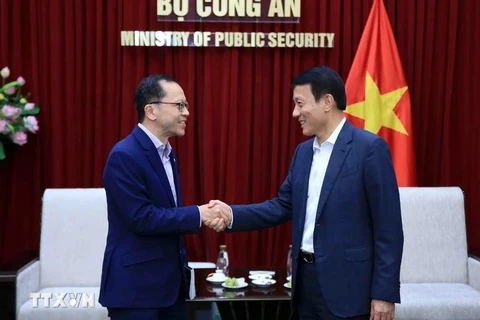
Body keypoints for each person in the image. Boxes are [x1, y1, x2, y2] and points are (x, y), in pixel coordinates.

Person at [208, 66, 404, 320]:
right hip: (305, 286)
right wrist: (230, 213)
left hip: (350, 289)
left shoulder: (369, 149)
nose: (295, 113)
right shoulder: (302, 153)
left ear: (327, 102)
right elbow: (281, 206)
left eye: (300, 104)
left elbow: (389, 229)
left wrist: (384, 293)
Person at [99, 74, 230, 320]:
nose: (186, 113)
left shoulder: (168, 154)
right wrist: (199, 214)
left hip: (170, 289)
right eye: (179, 105)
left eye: (186, 106)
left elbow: (167, 214)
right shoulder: (124, 155)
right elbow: (141, 218)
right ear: (151, 110)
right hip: (136, 291)